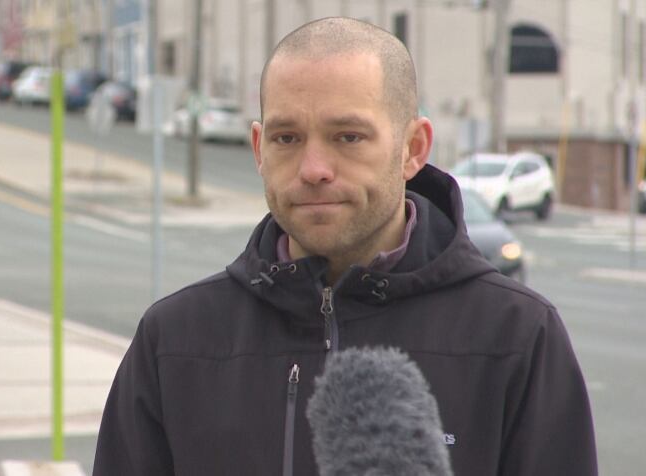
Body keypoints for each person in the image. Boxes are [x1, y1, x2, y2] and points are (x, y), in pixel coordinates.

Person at [93, 17, 597, 476]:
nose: (314, 168)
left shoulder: (517, 334)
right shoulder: (175, 341)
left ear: (413, 148)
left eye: (348, 137)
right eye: (286, 138)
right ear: (258, 150)